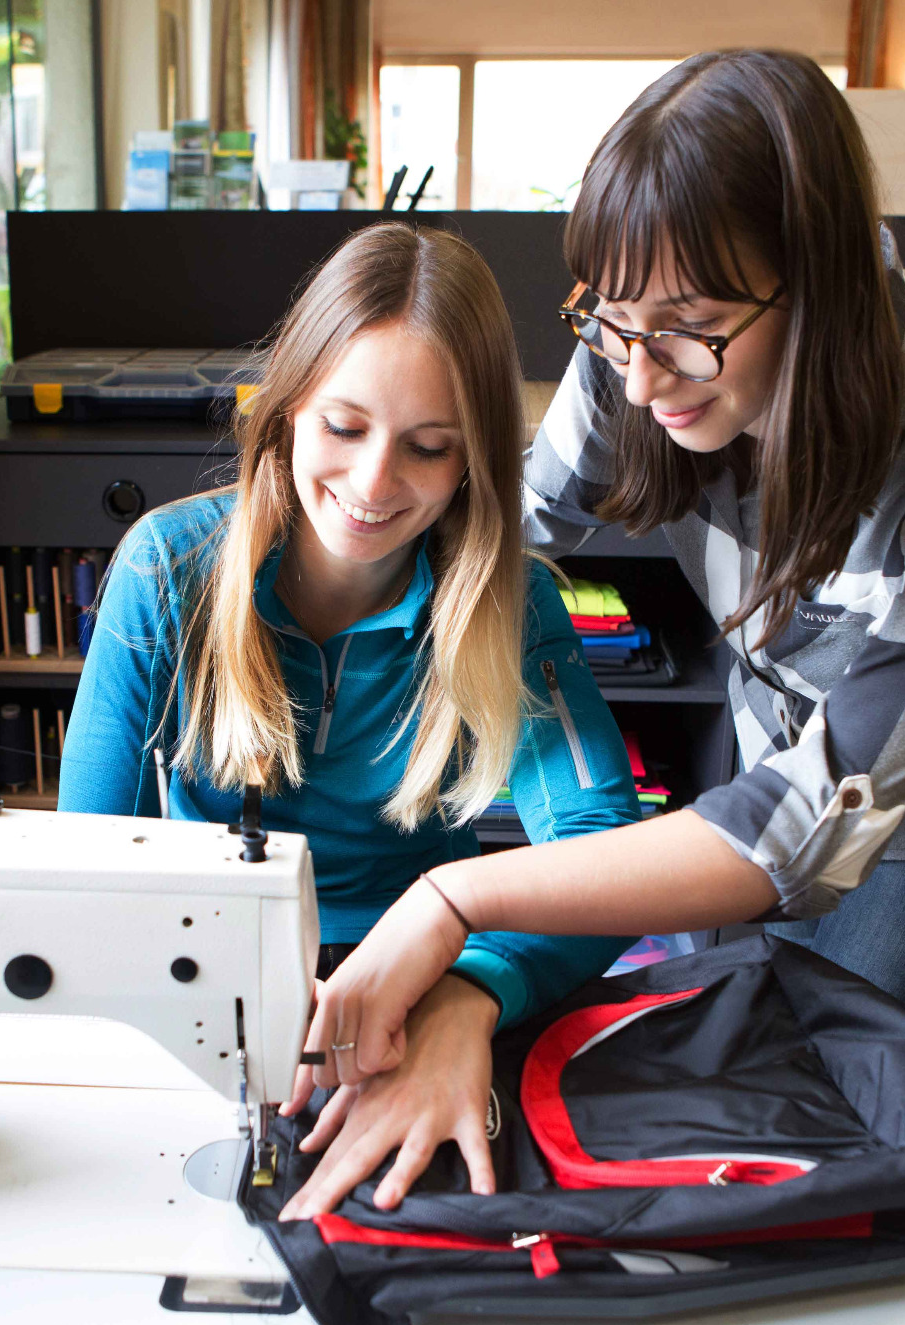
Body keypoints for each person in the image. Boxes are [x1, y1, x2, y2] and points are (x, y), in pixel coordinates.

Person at [292, 49, 905, 1212]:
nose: (642, 374)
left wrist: (457, 901)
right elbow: (500, 517)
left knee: (804, 1070)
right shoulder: (640, 345)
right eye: (611, 323)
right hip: (778, 726)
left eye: (690, 328)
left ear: (818, 286)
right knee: (709, 1032)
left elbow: (811, 820)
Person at [58, 222, 644, 1216]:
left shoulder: (514, 605)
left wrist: (473, 988)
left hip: (419, 980)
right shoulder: (164, 570)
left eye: (428, 447)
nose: (375, 484)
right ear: (285, 410)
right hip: (203, 970)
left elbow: (605, 860)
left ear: (472, 464)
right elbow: (90, 858)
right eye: (343, 427)